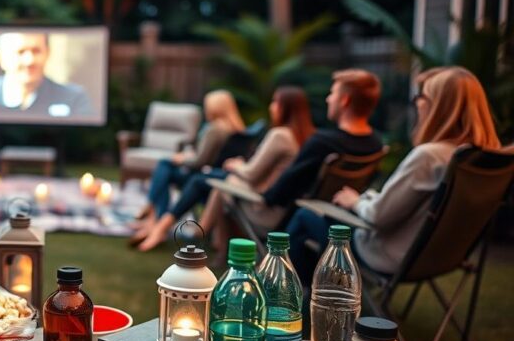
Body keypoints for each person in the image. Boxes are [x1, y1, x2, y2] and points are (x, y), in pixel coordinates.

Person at [285, 67, 501, 284]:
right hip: (440, 259)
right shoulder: (477, 158)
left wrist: (356, 201)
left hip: (385, 255)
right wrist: (366, 198)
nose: (417, 102)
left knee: (305, 216)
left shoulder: (430, 157)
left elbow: (379, 217)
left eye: (421, 95)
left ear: (439, 105)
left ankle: (296, 298)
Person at [207, 69, 385, 241]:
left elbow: (278, 194)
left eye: (333, 93)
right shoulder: (376, 144)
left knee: (224, 184)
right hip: (333, 218)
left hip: (286, 220)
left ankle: (203, 236)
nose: (328, 99)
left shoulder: (322, 143)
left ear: (344, 100)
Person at [135, 86, 315, 252]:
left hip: (259, 205)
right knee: (204, 178)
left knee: (187, 174)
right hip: (278, 205)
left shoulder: (280, 135)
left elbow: (252, 174)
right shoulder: (302, 138)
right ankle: (173, 225)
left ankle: (163, 222)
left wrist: (237, 165)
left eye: (276, 102)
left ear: (287, 108)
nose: (271, 107)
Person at [133, 90, 246, 234]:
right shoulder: (237, 129)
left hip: (199, 177)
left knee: (165, 166)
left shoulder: (215, 129)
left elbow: (199, 161)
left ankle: (153, 210)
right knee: (165, 169)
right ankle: (154, 215)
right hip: (215, 175)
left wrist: (182, 159)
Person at [0, 32, 93, 118]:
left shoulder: (74, 98)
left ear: (47, 54)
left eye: (36, 51)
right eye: (20, 52)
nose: (30, 60)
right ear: (2, 57)